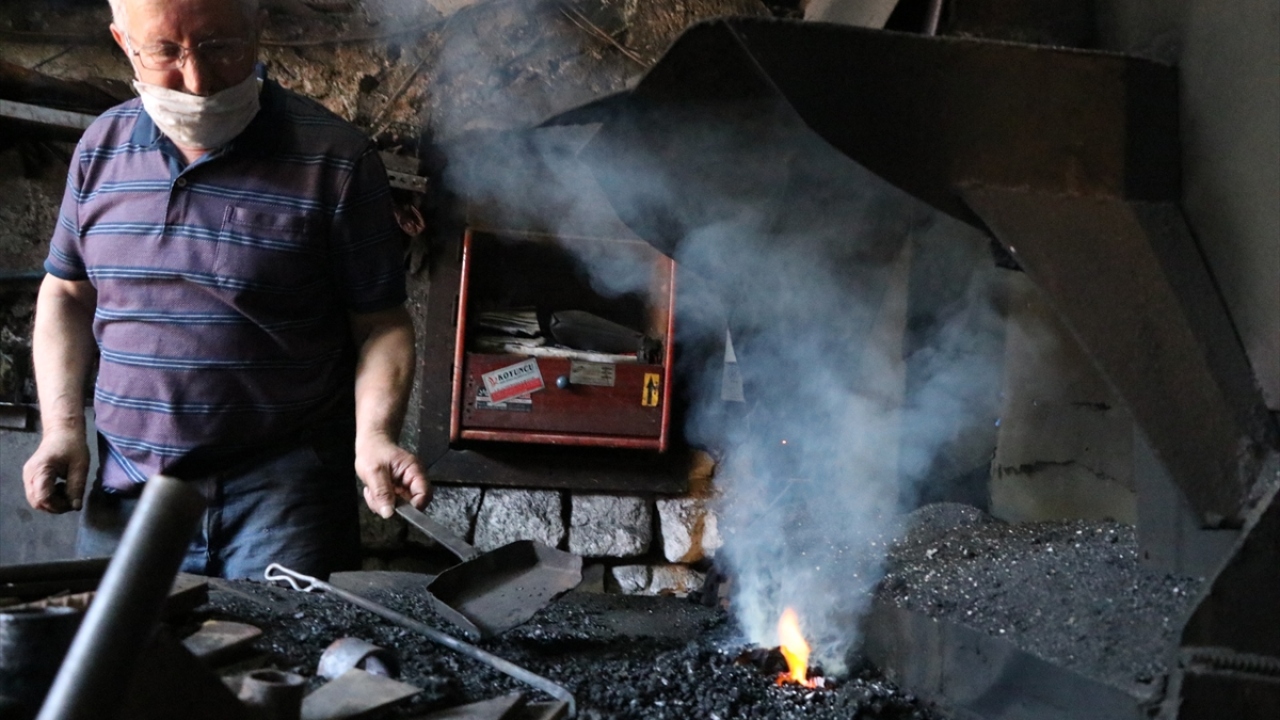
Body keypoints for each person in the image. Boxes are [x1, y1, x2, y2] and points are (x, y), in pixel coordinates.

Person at [21, 0, 428, 579]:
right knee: (126, 667)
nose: (196, 79)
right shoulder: (99, 150)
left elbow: (380, 323)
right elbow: (65, 293)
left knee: (283, 665)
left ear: (257, 25)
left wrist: (376, 436)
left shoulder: (335, 158)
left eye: (219, 47)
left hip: (282, 501)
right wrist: (61, 430)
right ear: (122, 40)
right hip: (128, 491)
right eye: (164, 50)